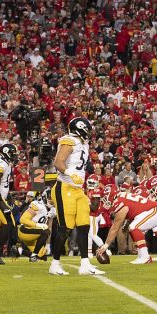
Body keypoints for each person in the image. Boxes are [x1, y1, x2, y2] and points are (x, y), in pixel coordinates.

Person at [50, 117, 98, 276]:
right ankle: (55, 264)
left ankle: (85, 264)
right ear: (80, 128)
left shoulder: (84, 143)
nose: (89, 133)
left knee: (84, 225)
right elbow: (58, 162)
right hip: (65, 188)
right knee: (65, 228)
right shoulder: (69, 140)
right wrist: (70, 172)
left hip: (78, 190)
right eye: (87, 129)